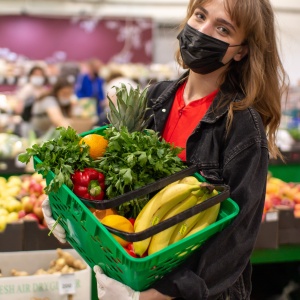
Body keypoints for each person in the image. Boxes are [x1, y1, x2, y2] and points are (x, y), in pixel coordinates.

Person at [42, 0, 288, 299]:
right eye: (200, 16)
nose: (202, 31)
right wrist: (71, 210)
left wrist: (160, 294)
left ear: (241, 50)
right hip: (136, 274)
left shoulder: (241, 126)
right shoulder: (154, 99)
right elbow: (114, 180)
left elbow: (236, 239)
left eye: (222, 29)